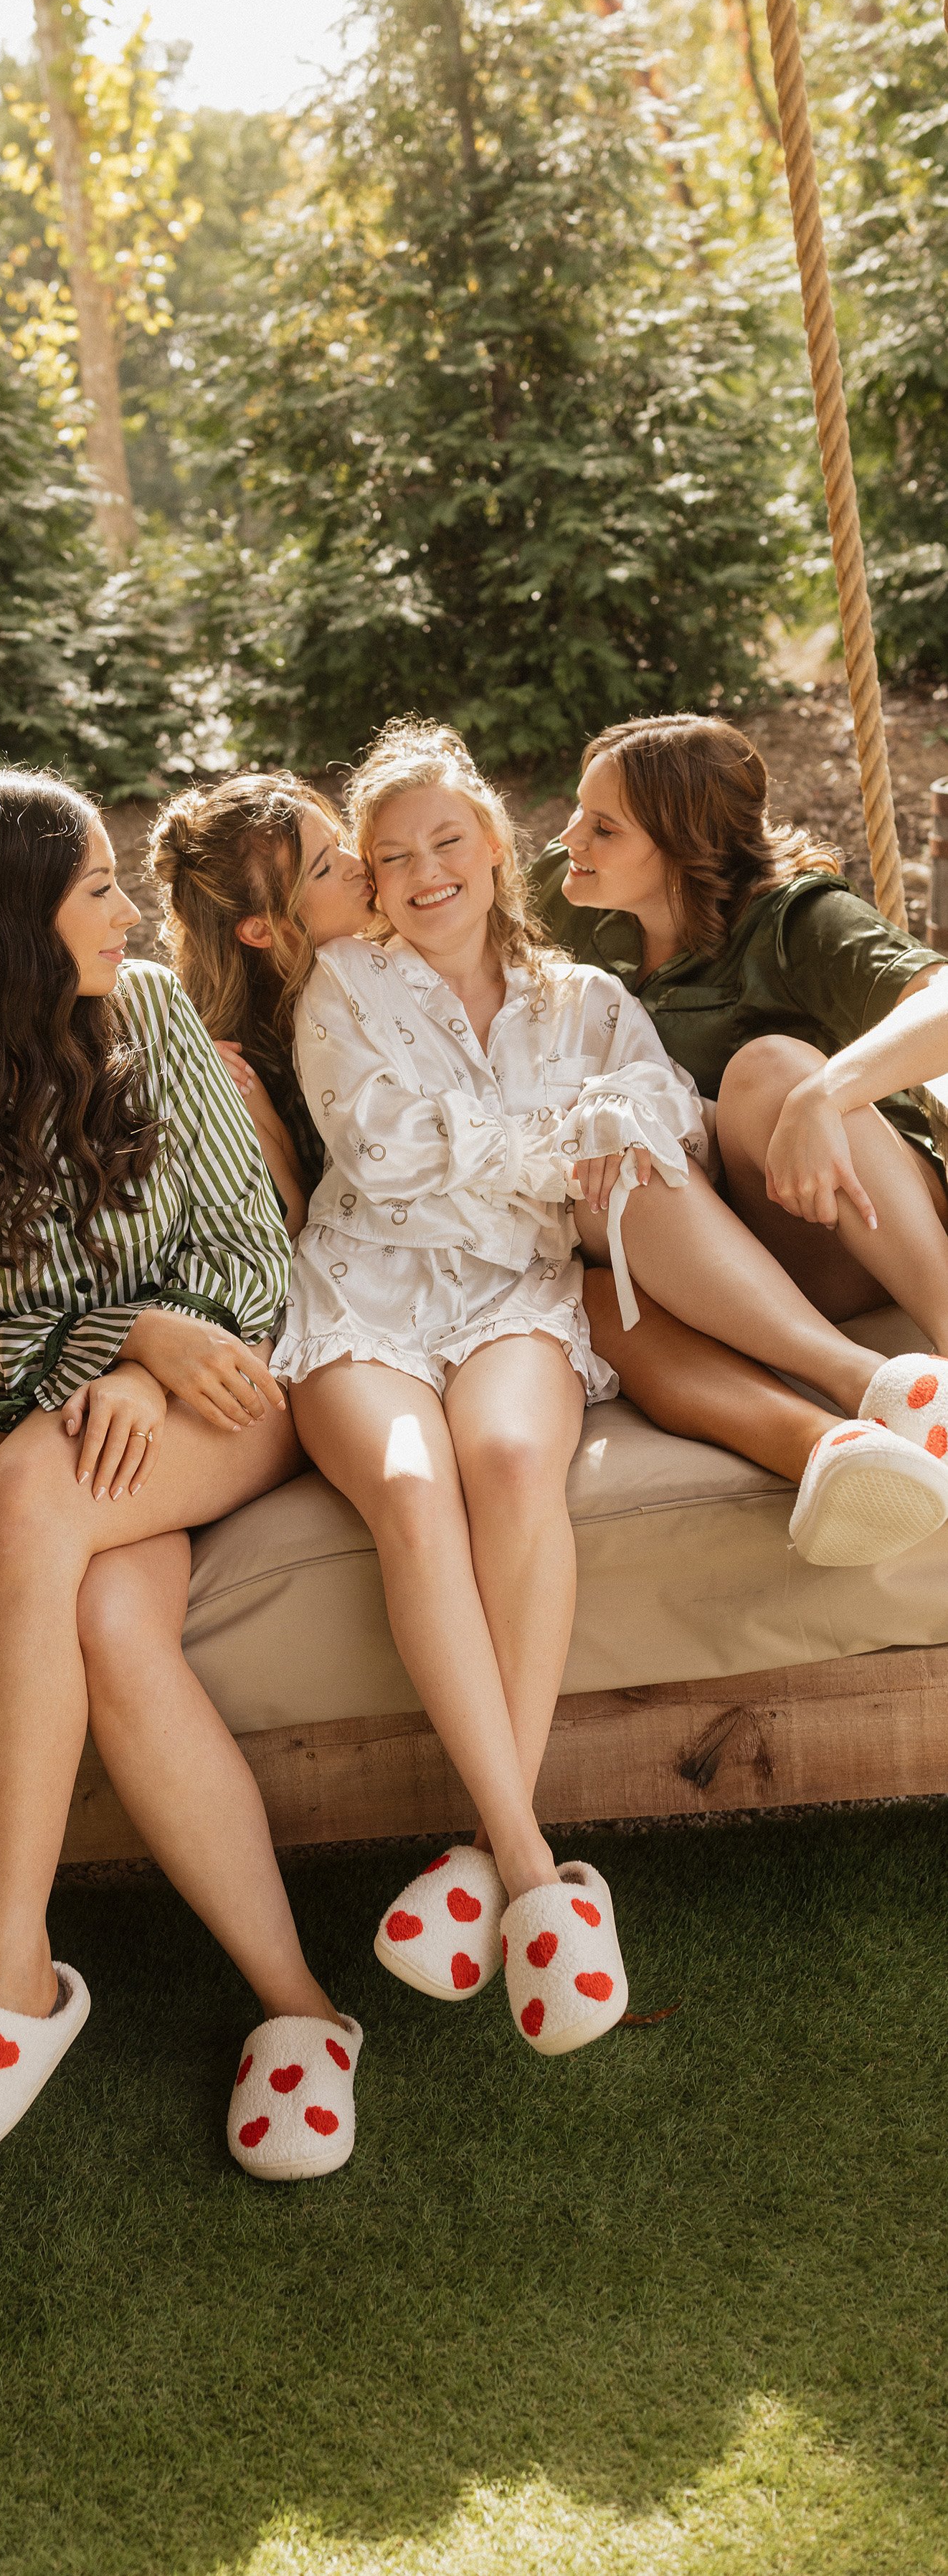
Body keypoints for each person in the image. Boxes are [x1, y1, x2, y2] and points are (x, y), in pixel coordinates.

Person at [270, 721, 945, 2056]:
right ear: (371, 874)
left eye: (448, 839)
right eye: (393, 856)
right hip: (370, 1293)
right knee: (416, 1488)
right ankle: (527, 1867)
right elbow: (393, 1153)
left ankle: (484, 1857)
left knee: (516, 1467)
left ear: (491, 840)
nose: (425, 871)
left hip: (519, 1291)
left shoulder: (585, 993)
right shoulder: (344, 982)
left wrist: (574, 1142)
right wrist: (560, 1140)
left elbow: (657, 1128)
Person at [0, 772, 363, 2184]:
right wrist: (109, 1335)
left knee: (21, 1495)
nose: (129, 912)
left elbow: (251, 1263)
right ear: (11, 924)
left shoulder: (153, 1017)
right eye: (97, 891)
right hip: (64, 1415)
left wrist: (154, 1358)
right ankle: (302, 2006)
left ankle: (5, 1958)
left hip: (231, 1392)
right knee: (112, 1625)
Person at [158, 764, 948, 1571]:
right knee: (599, 1292)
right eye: (362, 860)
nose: (568, 838)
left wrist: (626, 1122)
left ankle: (891, 1381)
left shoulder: (598, 962)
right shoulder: (282, 1029)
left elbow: (664, 1106)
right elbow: (351, 1174)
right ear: (261, 926)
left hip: (701, 1219)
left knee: (674, 1141)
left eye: (601, 826)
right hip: (511, 1268)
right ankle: (836, 1444)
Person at [531, 714, 948, 1506]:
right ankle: (850, 1430)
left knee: (768, 1072)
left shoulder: (793, 920)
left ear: (684, 847)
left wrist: (824, 1093)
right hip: (734, 1249)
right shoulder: (569, 892)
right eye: (578, 811)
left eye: (602, 826)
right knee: (600, 1226)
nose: (569, 837)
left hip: (853, 1215)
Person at [149, 772, 376, 1231]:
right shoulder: (233, 1061)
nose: (357, 864)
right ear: (260, 930)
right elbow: (291, 1224)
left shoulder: (395, 950)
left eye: (339, 842)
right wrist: (253, 1114)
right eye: (325, 867)